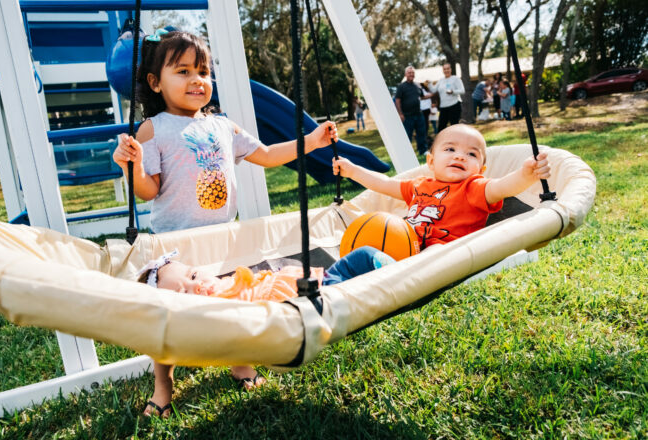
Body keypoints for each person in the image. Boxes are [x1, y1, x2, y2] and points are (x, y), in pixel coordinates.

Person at [111, 30, 338, 416]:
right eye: (182, 71)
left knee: (235, 304)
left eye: (203, 71)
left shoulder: (223, 126)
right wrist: (130, 165)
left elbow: (265, 154)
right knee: (169, 316)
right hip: (175, 245)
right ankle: (163, 382)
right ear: (155, 82)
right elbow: (148, 190)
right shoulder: (154, 129)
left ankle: (240, 362)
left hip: (224, 237)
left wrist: (311, 142)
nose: (196, 80)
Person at [137, 245, 395, 417]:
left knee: (365, 255)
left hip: (325, 276)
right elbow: (165, 340)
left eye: (193, 276)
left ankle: (412, 271)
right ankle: (406, 278)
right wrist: (163, 388)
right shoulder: (209, 314)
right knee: (371, 277)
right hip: (320, 301)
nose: (198, 287)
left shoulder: (225, 284)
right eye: (184, 293)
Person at [333, 124, 550, 250]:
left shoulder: (473, 188)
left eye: (471, 154)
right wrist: (352, 170)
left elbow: (503, 187)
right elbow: (384, 184)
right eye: (450, 149)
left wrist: (525, 174)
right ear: (430, 162)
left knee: (434, 252)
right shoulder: (419, 185)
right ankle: (333, 280)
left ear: (481, 169)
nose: (459, 156)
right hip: (403, 245)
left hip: (441, 254)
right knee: (365, 245)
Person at [394, 66, 429, 155]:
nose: (411, 74)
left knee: (421, 133)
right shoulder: (401, 86)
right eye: (409, 73)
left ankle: (423, 150)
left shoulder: (418, 85)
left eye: (412, 73)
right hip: (407, 116)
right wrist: (400, 114)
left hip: (418, 114)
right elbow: (397, 100)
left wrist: (433, 94)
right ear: (405, 74)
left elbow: (422, 96)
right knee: (407, 135)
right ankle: (406, 153)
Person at [428, 63, 465, 131]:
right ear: (443, 71)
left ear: (450, 69)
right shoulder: (441, 80)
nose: (446, 70)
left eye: (448, 68)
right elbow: (433, 90)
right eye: (444, 69)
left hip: (454, 105)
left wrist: (453, 92)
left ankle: (455, 141)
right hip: (443, 107)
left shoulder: (455, 78)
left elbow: (462, 90)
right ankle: (442, 141)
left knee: (455, 127)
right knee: (441, 128)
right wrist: (429, 83)